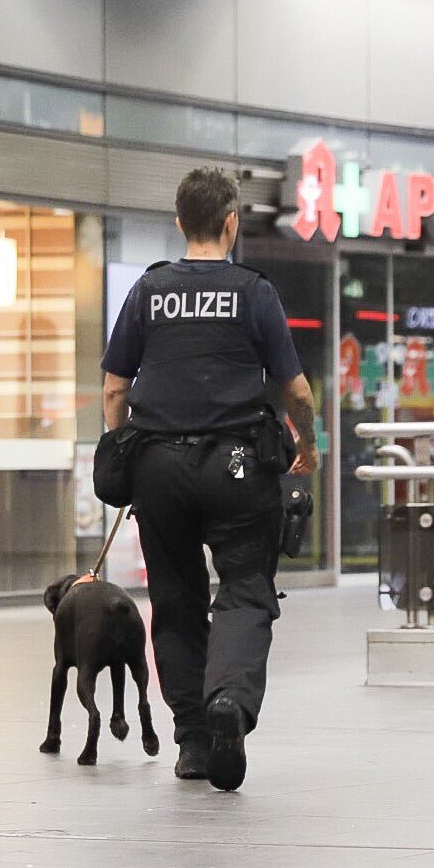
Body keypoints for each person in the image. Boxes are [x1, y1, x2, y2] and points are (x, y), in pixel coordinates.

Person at [102, 168, 318, 792]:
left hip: (158, 468)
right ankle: (228, 703)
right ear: (231, 222)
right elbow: (295, 390)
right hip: (238, 465)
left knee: (175, 599)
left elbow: (117, 386)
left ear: (178, 222)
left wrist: (120, 448)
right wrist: (309, 446)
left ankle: (193, 740)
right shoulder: (253, 291)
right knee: (246, 590)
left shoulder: (148, 291)